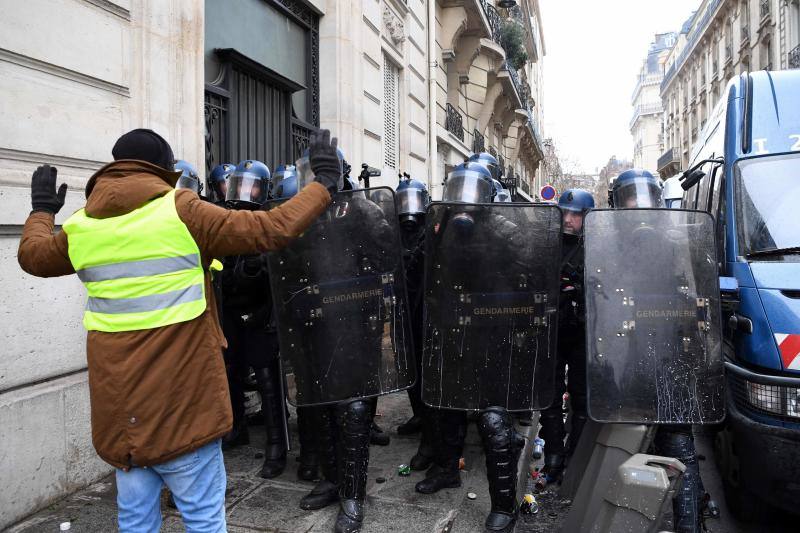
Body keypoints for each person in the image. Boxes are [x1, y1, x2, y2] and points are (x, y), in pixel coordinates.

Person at [17, 128, 339, 532]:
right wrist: (323, 184)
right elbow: (270, 229)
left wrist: (42, 210)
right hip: (184, 410)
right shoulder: (180, 209)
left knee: (135, 521)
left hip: (123, 420)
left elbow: (32, 256)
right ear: (164, 168)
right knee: (203, 520)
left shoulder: (82, 226)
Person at [416, 161, 553, 533]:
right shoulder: (441, 227)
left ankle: (504, 504)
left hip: (494, 333)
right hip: (452, 328)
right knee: (445, 407)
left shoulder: (506, 228)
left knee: (494, 421)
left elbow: (532, 269)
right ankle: (447, 469)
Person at [610, 168, 709, 533]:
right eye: (630, 199)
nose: (638, 206)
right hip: (628, 352)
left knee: (678, 439)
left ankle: (691, 520)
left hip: (668, 352)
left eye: (643, 198)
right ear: (620, 205)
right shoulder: (609, 245)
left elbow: (694, 295)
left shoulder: (675, 243)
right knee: (628, 436)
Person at [218, 159, 289, 479]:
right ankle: (237, 428)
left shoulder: (269, 220)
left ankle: (277, 445)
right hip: (231, 309)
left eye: (252, 186)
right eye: (239, 184)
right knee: (230, 370)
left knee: (267, 380)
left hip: (261, 311)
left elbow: (277, 273)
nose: (244, 193)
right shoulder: (223, 220)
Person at [537, 188, 594, 485]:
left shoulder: (597, 246)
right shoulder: (548, 243)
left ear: (587, 217)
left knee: (582, 396)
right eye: (565, 213)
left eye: (575, 214)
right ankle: (554, 457)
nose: (569, 219)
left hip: (583, 332)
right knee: (550, 394)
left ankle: (576, 457)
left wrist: (582, 288)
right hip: (552, 330)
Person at [394, 176, 434, 470]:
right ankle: (418, 415)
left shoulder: (431, 231)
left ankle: (431, 435)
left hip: (425, 312)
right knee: (408, 368)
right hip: (401, 309)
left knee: (426, 372)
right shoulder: (393, 232)